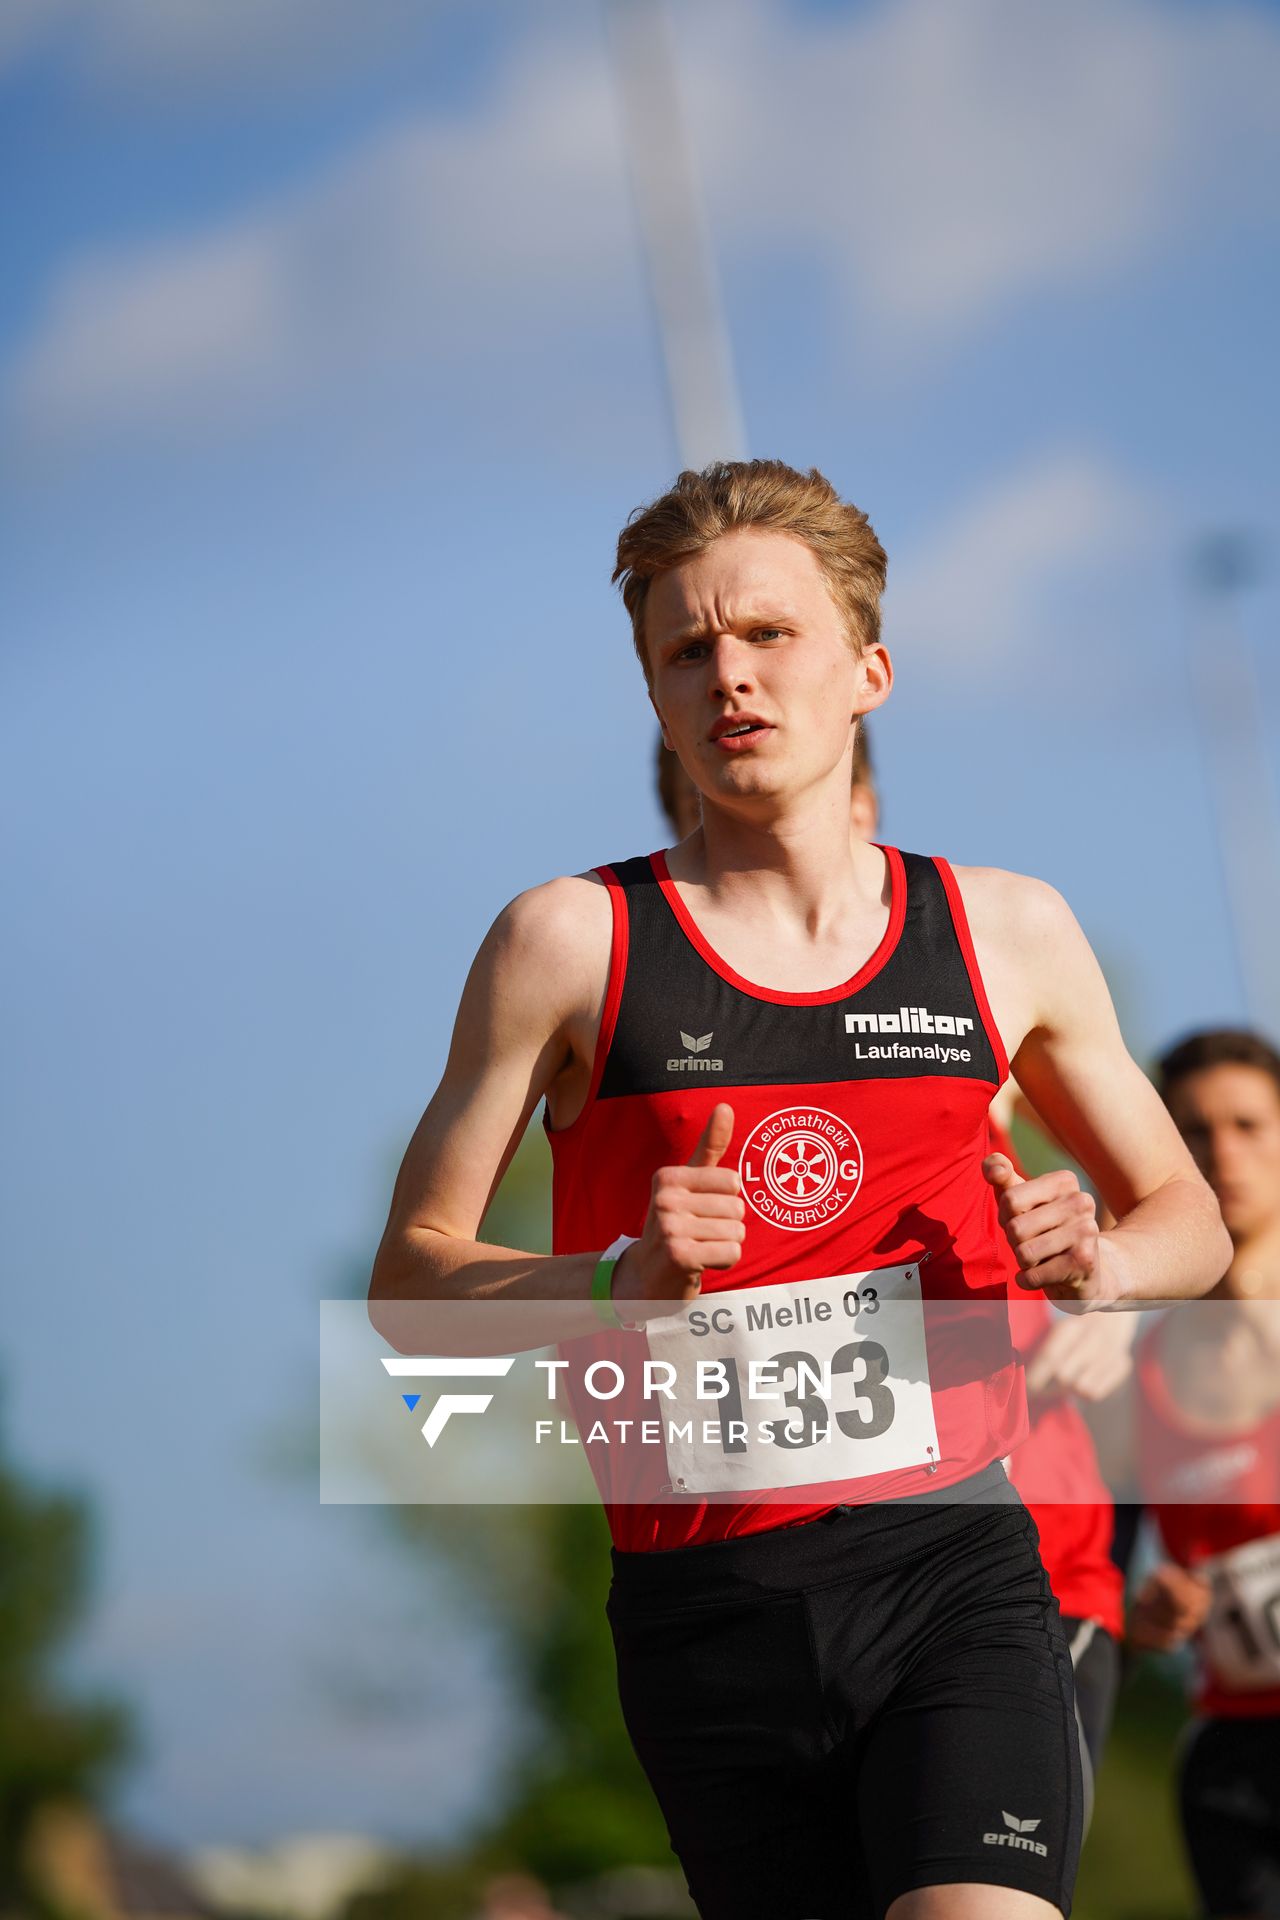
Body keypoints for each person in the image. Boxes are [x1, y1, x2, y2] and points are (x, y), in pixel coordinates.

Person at [370, 460, 1228, 1920]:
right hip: (706, 1610)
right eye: (688, 652)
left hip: (957, 1562)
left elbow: (1190, 1221)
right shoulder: (567, 944)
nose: (732, 678)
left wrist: (1100, 1258)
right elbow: (408, 1296)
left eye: (769, 636)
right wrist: (605, 1282)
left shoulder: (1004, 932)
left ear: (870, 671)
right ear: (654, 698)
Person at [656, 734, 1129, 1818]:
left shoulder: (975, 1000)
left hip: (1006, 1563)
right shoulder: (677, 1053)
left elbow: (1159, 1227)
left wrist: (1110, 1283)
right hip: (757, 1590)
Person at [1128, 1028, 1280, 1920]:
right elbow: (1099, 1581)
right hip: (1233, 1759)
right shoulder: (1134, 1366)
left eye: (1249, 1124)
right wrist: (1147, 1615)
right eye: (1193, 1130)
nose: (1224, 1153)